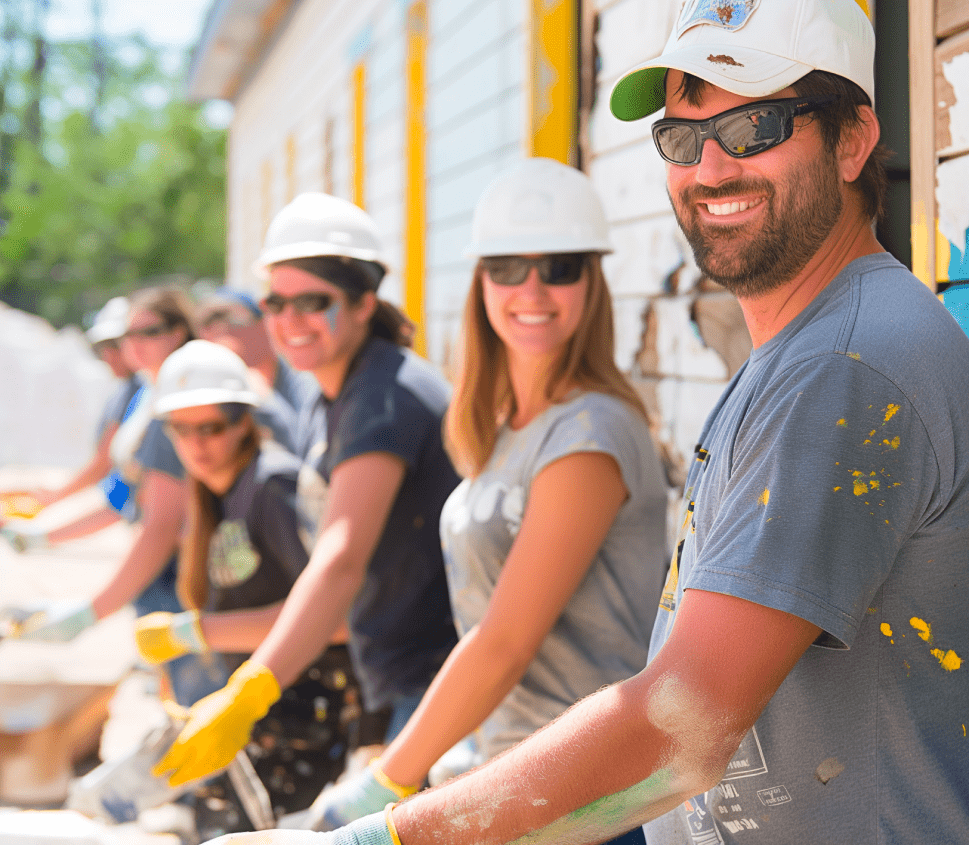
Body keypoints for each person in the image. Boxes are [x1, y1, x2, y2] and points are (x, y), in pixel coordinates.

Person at [202, 2, 969, 843]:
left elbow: (683, 723)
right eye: (681, 136)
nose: (712, 167)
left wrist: (388, 832)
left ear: (853, 139)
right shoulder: (805, 350)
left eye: (755, 125)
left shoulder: (840, 368)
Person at [302, 158, 668, 844]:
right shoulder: (502, 427)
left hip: (589, 796)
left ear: (591, 280)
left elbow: (503, 640)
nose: (531, 288)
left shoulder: (590, 432)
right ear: (480, 281)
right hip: (515, 780)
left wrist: (389, 781)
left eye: (558, 265)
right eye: (506, 266)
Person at [152, 192, 459, 789]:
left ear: (365, 300)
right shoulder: (339, 392)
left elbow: (339, 563)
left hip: (431, 681)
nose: (290, 321)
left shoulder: (383, 397)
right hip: (396, 678)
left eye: (314, 302)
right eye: (275, 302)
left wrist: (250, 691)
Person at [125, 339, 367, 834]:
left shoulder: (271, 487)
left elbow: (336, 618)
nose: (197, 445)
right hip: (271, 721)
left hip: (316, 718)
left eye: (211, 427)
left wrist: (198, 632)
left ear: (244, 423)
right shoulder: (217, 495)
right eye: (181, 429)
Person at [6, 287, 225, 707]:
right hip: (166, 573)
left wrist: (93, 611)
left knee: (199, 706)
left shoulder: (173, 404)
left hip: (181, 574)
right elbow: (126, 498)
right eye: (127, 336)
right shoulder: (148, 393)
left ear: (179, 332)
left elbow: (160, 524)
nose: (131, 347)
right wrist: (46, 535)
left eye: (149, 332)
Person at [0, 297, 140, 547]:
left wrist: (47, 515)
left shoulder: (141, 392)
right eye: (102, 347)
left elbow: (109, 473)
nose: (108, 355)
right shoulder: (128, 390)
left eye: (115, 345)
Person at [195, 287, 315, 452]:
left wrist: (263, 398)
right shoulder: (221, 391)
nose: (223, 334)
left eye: (231, 321)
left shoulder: (305, 376)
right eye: (208, 325)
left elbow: (306, 450)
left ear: (265, 324)